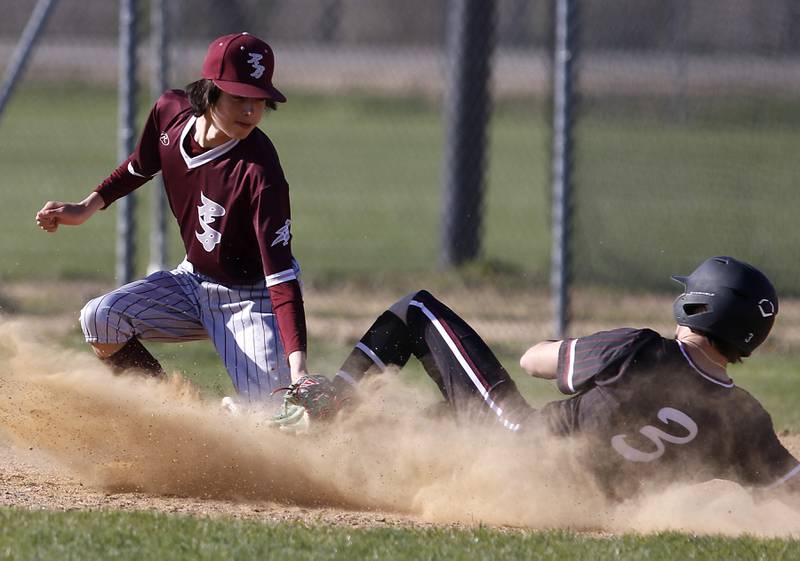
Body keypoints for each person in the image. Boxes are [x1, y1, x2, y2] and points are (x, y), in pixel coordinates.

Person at [276, 256, 799, 499]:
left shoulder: (644, 350)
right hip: (586, 503)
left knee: (416, 310)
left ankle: (332, 402)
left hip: (522, 449)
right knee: (440, 415)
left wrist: (589, 352)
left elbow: (533, 361)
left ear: (697, 304)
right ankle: (358, 444)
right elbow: (789, 490)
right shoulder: (745, 418)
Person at [35, 32, 307, 405]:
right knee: (100, 318)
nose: (250, 111)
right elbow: (140, 165)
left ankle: (244, 417)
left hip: (250, 298)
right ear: (210, 90)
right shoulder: (169, 113)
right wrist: (85, 208)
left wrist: (299, 371)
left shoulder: (260, 171)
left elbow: (281, 277)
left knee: (272, 415)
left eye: (259, 101)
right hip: (191, 282)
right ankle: (173, 410)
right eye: (239, 97)